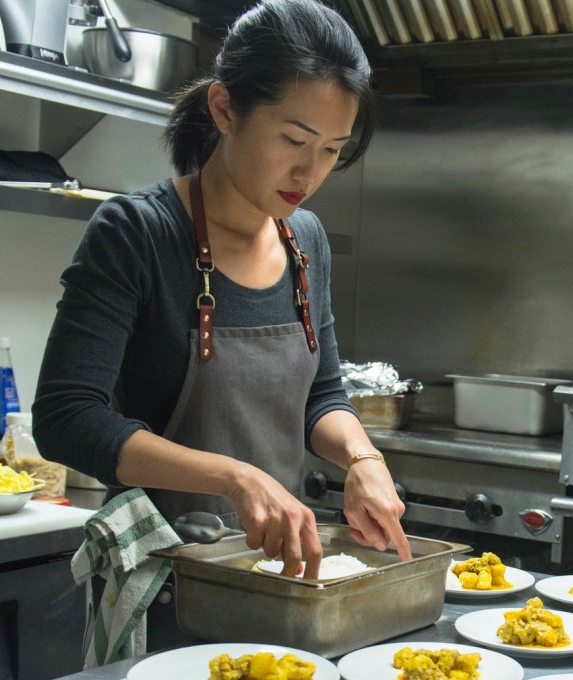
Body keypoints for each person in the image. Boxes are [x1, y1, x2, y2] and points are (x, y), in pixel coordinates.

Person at [33, 0, 410, 587]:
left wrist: (364, 458)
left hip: (277, 578)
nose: (309, 175)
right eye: (293, 139)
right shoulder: (137, 233)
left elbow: (323, 397)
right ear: (224, 107)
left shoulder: (305, 240)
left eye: (332, 150)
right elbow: (67, 419)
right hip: (160, 582)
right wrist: (237, 476)